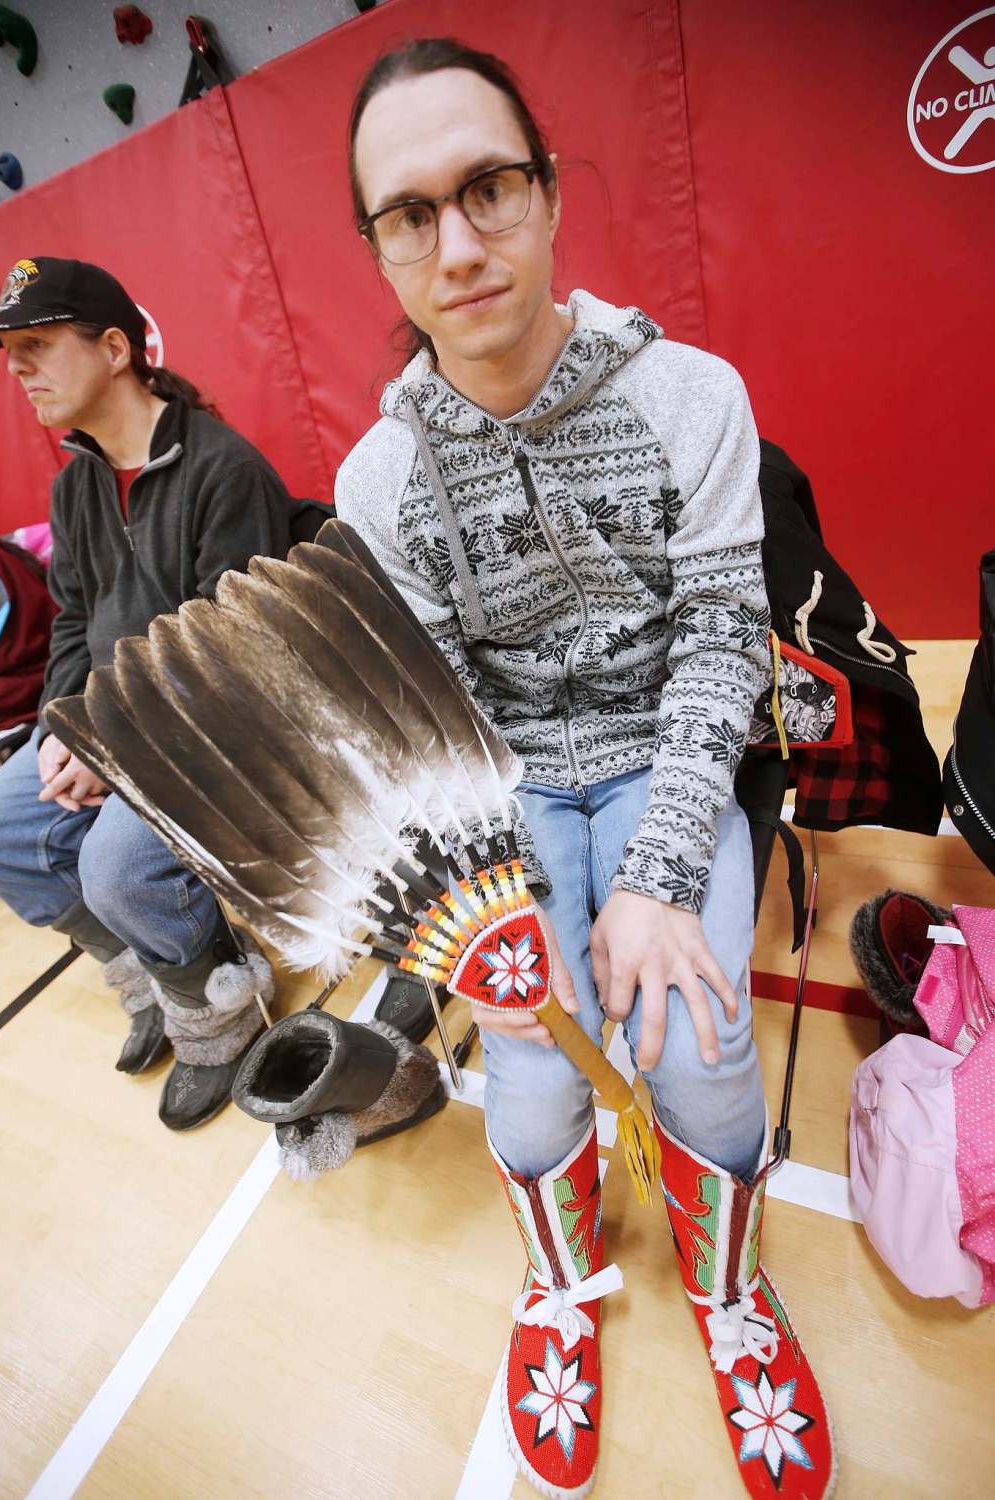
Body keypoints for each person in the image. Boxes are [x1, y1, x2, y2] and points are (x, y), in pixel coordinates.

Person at [334, 39, 835, 1500]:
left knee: (699, 1037)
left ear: (549, 195)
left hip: (664, 750)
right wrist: (498, 922)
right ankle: (558, 1288)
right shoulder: (379, 483)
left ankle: (734, 1298)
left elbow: (721, 650)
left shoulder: (692, 396)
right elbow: (434, 724)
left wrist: (660, 880)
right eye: (409, 213)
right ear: (380, 249)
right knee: (534, 1070)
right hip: (507, 795)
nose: (459, 240)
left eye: (488, 187)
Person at [0, 256, 284, 1131]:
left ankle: (220, 1000)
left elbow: (227, 664)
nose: (17, 369)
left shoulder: (224, 471)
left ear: (115, 347)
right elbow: (76, 623)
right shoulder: (74, 484)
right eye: (10, 352)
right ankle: (164, 977)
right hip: (117, 732)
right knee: (5, 823)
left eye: (37, 344)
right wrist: (60, 725)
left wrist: (105, 749)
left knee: (112, 866)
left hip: (217, 735)